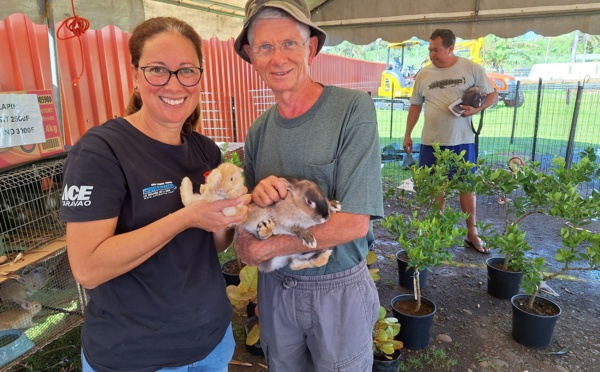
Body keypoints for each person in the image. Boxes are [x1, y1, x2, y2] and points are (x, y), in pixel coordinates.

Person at [59, 17, 250, 372]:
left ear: (199, 77)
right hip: (136, 356)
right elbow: (87, 268)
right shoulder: (102, 150)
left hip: (212, 342)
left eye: (187, 71)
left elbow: (215, 245)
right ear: (135, 75)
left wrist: (228, 217)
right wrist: (186, 217)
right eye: (157, 70)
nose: (174, 84)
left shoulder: (205, 150)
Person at [232, 0, 384, 370]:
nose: (277, 57)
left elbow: (353, 223)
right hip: (276, 291)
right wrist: (248, 225)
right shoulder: (258, 131)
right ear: (251, 55)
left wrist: (264, 250)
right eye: (265, 47)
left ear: (311, 48)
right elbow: (247, 218)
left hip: (338, 289)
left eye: (289, 43)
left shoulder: (352, 110)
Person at [403, 28, 498, 254]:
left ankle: (472, 233)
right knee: (435, 188)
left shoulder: (471, 68)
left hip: (462, 142)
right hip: (431, 142)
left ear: (450, 48)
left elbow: (493, 95)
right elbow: (415, 105)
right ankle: (436, 232)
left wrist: (476, 109)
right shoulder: (424, 74)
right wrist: (407, 134)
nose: (432, 54)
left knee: (467, 188)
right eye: (430, 50)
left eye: (436, 50)